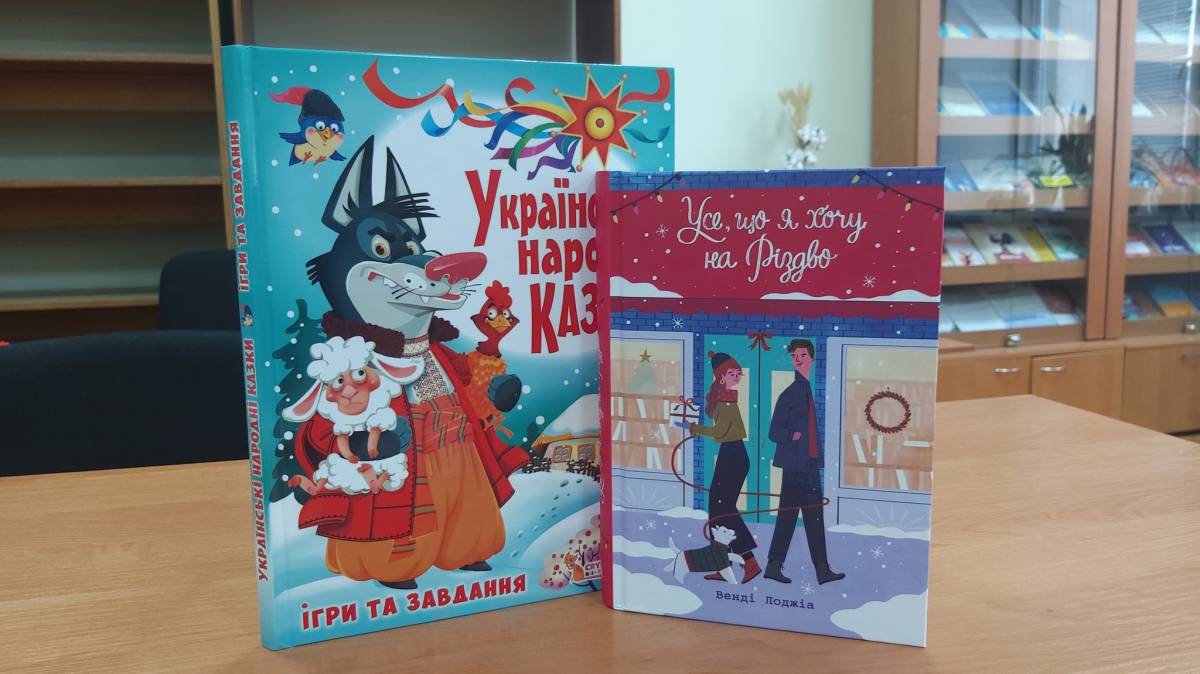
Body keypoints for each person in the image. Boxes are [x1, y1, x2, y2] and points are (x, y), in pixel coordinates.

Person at [764, 339, 845, 585]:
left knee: (814, 517)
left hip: (809, 465)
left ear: (811, 358)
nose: (797, 360)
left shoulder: (811, 389)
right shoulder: (789, 393)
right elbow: (773, 432)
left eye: (802, 355)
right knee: (788, 517)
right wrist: (792, 435)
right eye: (794, 356)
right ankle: (775, 566)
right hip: (794, 466)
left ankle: (821, 570)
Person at [686, 351, 762, 584]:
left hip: (733, 455)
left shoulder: (727, 400)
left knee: (722, 510)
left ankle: (748, 562)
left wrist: (696, 429)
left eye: (738, 373)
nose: (737, 377)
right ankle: (726, 565)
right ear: (721, 376)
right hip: (731, 455)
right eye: (732, 373)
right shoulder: (723, 397)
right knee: (719, 510)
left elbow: (721, 433)